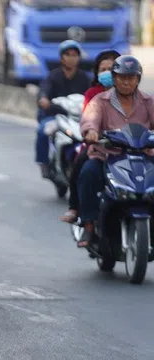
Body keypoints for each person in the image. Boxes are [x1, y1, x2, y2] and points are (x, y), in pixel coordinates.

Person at [77, 55, 154, 248]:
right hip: (107, 155)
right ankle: (88, 224)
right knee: (87, 174)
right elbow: (90, 118)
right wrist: (92, 131)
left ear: (138, 79)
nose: (126, 82)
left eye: (131, 77)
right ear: (114, 78)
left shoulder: (148, 101)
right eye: (121, 77)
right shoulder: (100, 100)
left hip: (143, 157)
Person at [60, 49, 120, 223]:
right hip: (101, 144)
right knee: (82, 165)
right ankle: (77, 209)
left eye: (111, 68)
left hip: (129, 146)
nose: (107, 73)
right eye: (103, 69)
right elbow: (88, 118)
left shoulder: (138, 98)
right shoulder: (94, 95)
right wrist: (92, 132)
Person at [36, 40, 90, 178]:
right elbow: (44, 92)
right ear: (62, 57)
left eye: (75, 55)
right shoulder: (53, 76)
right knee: (43, 131)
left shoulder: (84, 77)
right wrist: (44, 100)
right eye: (68, 54)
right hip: (56, 116)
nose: (71, 58)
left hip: (78, 117)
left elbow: (92, 94)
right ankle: (44, 163)